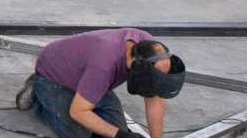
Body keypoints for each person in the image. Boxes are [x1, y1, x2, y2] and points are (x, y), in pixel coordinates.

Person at [16, 28, 186, 138]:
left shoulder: (150, 49)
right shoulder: (104, 65)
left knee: (113, 129)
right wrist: (120, 136)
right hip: (53, 75)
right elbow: (78, 112)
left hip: (86, 76)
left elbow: (154, 98)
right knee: (79, 133)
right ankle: (38, 97)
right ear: (134, 63)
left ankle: (83, 93)